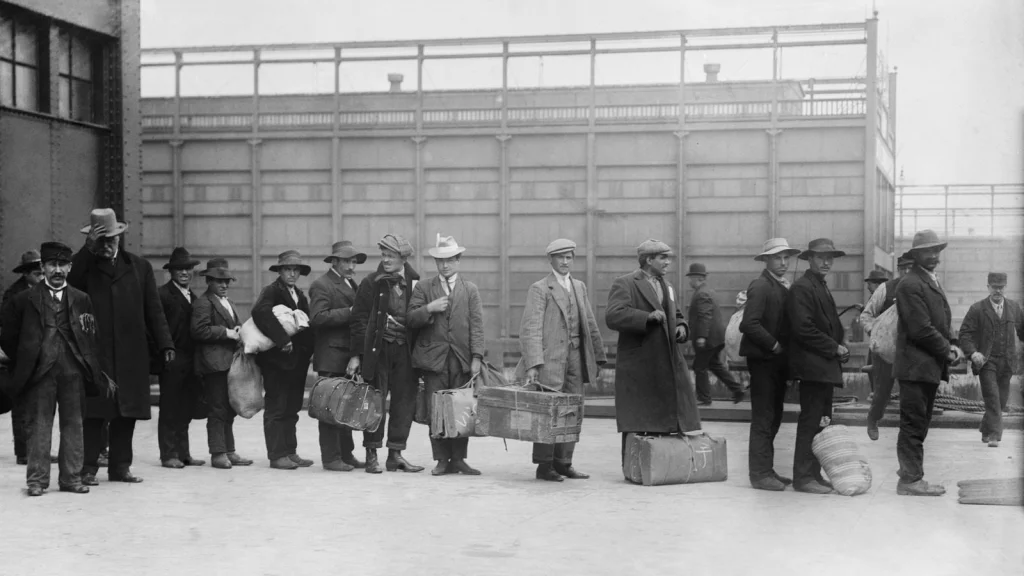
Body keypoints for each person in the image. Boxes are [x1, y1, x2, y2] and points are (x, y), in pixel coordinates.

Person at [69, 208, 174, 485]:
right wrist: (87, 249)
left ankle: (120, 467)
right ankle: (88, 468)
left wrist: (165, 344)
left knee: (126, 414)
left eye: (110, 239)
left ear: (119, 238)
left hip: (131, 354)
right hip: (96, 354)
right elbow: (70, 286)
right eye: (100, 241)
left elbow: (154, 310)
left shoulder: (139, 267)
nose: (106, 245)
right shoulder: (83, 267)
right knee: (94, 413)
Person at [0, 242, 109, 496]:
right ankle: (37, 481)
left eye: (62, 265)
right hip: (40, 373)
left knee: (73, 424)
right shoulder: (24, 300)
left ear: (70, 268)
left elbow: (92, 334)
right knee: (39, 425)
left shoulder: (82, 299)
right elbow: (8, 337)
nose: (57, 270)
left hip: (73, 371)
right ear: (43, 267)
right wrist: (26, 360)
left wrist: (90, 365)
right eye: (52, 265)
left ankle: (71, 478)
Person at [513, 238, 606, 482]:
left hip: (576, 358)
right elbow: (530, 328)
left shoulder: (579, 287)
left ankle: (564, 463)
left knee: (572, 410)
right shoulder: (540, 288)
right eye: (560, 257)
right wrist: (534, 364)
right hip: (549, 361)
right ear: (550, 260)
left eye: (569, 257)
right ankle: (544, 466)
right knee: (547, 412)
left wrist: (598, 359)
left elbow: (590, 324)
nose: (565, 262)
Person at [606, 239, 701, 465]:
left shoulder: (667, 286)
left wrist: (681, 326)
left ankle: (659, 466)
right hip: (640, 365)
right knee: (638, 418)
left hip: (666, 362)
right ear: (649, 260)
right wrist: (645, 317)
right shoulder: (626, 283)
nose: (668, 262)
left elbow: (676, 314)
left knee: (665, 416)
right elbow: (613, 315)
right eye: (663, 258)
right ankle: (633, 467)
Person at [408, 234, 486, 476]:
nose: (445, 265)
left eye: (450, 260)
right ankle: (442, 459)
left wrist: (476, 357)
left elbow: (477, 326)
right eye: (440, 261)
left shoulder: (470, 289)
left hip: (462, 360)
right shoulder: (423, 287)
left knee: (461, 410)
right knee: (437, 410)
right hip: (434, 360)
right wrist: (428, 309)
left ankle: (459, 459)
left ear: (458, 261)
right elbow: (410, 319)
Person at [893, 229, 963, 496]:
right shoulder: (911, 284)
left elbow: (942, 319)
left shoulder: (929, 280)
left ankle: (909, 473)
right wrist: (947, 351)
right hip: (915, 368)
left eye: (936, 251)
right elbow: (920, 329)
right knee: (913, 423)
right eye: (927, 251)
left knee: (918, 423)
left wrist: (953, 343)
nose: (933, 255)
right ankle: (910, 480)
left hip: (925, 367)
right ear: (916, 255)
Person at [347, 235, 424, 474]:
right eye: (383, 255)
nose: (386, 260)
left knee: (404, 403)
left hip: (405, 353)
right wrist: (357, 355)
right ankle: (371, 453)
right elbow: (359, 320)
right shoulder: (371, 282)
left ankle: (395, 454)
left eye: (391, 256)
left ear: (403, 258)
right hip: (377, 352)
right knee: (374, 402)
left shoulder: (416, 282)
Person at [787, 238, 849, 495]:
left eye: (830, 258)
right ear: (809, 259)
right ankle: (803, 477)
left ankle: (813, 473)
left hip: (823, 367)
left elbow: (828, 325)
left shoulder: (819, 286)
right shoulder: (803, 288)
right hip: (812, 368)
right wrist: (834, 347)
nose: (826, 262)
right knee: (811, 422)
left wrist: (838, 346)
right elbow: (803, 329)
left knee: (822, 423)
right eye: (821, 257)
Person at [740, 238, 800, 491]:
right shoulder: (761, 286)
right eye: (777, 258)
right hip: (764, 362)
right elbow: (749, 324)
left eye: (786, 258)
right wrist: (774, 346)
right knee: (764, 419)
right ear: (766, 260)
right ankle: (759, 474)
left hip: (775, 364)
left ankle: (767, 469)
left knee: (773, 418)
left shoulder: (781, 286)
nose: (784, 263)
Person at [252, 251, 315, 470]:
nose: (292, 273)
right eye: (288, 269)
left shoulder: (299, 293)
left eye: (296, 270)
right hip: (276, 362)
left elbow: (307, 323)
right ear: (280, 271)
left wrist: (309, 351)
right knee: (276, 407)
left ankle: (290, 451)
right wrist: (282, 339)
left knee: (292, 408)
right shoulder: (271, 291)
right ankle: (277, 455)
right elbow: (260, 313)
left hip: (297, 363)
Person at [308, 241, 368, 472]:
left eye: (354, 262)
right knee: (330, 409)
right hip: (331, 356)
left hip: (346, 357)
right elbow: (318, 317)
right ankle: (331, 458)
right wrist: (351, 312)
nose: (353, 266)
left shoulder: (349, 283)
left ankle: (346, 454)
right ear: (334, 261)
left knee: (346, 408)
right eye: (348, 261)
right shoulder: (321, 285)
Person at [191, 258, 253, 469]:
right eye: (219, 281)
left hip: (228, 364)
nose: (224, 285)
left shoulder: (228, 302)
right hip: (213, 364)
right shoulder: (203, 302)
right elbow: (198, 330)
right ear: (209, 281)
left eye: (227, 281)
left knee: (228, 408)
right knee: (217, 408)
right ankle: (218, 453)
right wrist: (226, 333)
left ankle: (229, 450)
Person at [958, 272, 1024, 448]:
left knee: (1001, 401)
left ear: (1005, 288)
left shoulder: (1014, 308)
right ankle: (995, 434)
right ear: (988, 287)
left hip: (1008, 362)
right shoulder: (977, 309)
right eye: (994, 287)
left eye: (1001, 287)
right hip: (986, 362)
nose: (998, 290)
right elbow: (964, 334)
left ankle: (986, 428)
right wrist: (972, 353)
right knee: (993, 398)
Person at [156, 247, 206, 469]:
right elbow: (156, 328)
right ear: (171, 272)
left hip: (191, 360)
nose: (185, 273)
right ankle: (168, 454)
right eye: (179, 269)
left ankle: (183, 453)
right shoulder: (162, 295)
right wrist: (164, 354)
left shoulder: (193, 297)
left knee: (185, 408)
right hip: (172, 360)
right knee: (170, 408)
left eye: (188, 269)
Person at [0, 249, 48, 465]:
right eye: (37, 273)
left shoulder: (44, 291)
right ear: (26, 274)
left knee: (39, 406)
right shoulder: (13, 295)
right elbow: (8, 331)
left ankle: (38, 449)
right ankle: (23, 452)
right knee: (20, 406)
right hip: (20, 358)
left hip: (41, 356)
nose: (41, 276)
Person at [860, 253, 914, 440]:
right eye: (903, 268)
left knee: (911, 395)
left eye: (911, 268)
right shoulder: (885, 288)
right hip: (885, 351)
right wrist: (874, 334)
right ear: (898, 269)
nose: (907, 272)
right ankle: (873, 420)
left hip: (910, 351)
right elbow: (866, 316)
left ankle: (908, 432)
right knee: (882, 392)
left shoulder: (922, 289)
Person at [686, 262, 745, 405]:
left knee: (699, 367)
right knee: (714, 365)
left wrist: (701, 336)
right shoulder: (708, 291)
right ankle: (738, 389)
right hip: (716, 338)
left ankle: (704, 398)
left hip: (708, 339)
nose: (689, 281)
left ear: (698, 278)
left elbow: (705, 316)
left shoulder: (702, 293)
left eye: (691, 277)